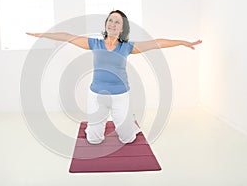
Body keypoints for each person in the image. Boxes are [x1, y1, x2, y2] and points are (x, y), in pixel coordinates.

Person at [26, 10, 202, 145]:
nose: (112, 24)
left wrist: (182, 42)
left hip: (120, 96)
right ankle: (98, 126)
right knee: (94, 140)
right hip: (97, 96)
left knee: (127, 138)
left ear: (122, 28)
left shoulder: (127, 47)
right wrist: (42, 34)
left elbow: (157, 43)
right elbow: (67, 37)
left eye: (117, 22)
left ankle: (129, 123)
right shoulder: (94, 43)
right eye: (110, 20)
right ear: (106, 24)